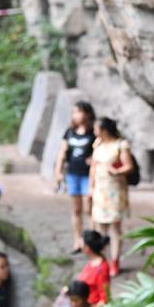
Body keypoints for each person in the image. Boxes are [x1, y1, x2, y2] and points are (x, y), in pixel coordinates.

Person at [89, 117, 133, 277]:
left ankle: (114, 260)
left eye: (96, 128)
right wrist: (91, 186)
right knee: (101, 227)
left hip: (115, 190)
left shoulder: (121, 145)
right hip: (100, 190)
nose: (94, 131)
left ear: (104, 129)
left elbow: (129, 166)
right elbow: (93, 166)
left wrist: (117, 171)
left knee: (115, 227)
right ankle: (102, 260)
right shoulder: (97, 144)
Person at [53, 101, 96, 253]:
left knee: (89, 208)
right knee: (76, 209)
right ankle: (77, 240)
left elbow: (100, 150)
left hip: (88, 175)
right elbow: (62, 152)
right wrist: (57, 172)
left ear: (87, 113)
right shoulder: (70, 132)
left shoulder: (93, 132)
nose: (75, 115)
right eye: (74, 113)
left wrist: (94, 159)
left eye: (78, 112)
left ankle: (91, 240)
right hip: (73, 174)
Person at [77, 230, 110, 306]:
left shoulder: (101, 270)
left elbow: (105, 298)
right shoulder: (92, 263)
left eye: (81, 244)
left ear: (87, 248)